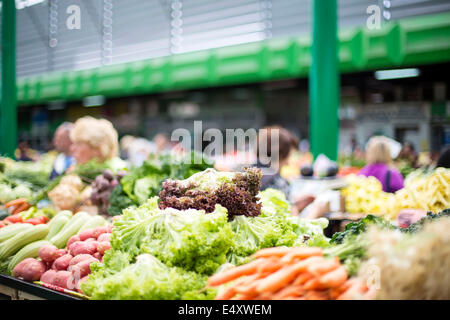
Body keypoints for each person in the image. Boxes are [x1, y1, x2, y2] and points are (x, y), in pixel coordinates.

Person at [256, 125, 299, 199]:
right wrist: (318, 209)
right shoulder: (277, 183)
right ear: (281, 154)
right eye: (290, 154)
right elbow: (286, 209)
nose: (288, 162)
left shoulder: (246, 175)